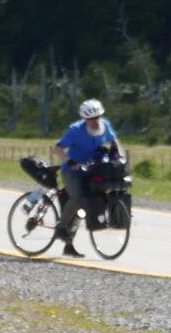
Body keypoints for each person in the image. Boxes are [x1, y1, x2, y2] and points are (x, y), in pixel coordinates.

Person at [52, 98, 123, 257]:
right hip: (72, 171)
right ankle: (61, 228)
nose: (95, 121)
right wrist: (71, 162)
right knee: (77, 198)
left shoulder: (105, 125)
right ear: (84, 118)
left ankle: (68, 245)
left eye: (97, 117)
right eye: (91, 118)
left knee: (89, 204)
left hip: (93, 170)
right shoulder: (75, 130)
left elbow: (114, 141)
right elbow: (58, 149)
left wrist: (118, 156)